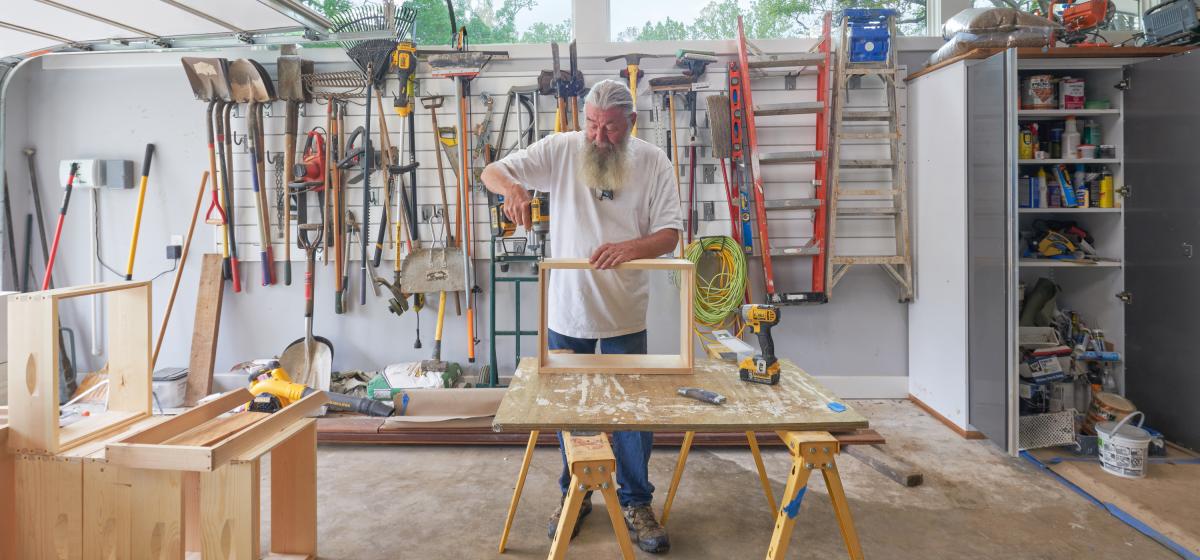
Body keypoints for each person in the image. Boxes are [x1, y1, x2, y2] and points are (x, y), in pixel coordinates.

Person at [481, 79, 682, 554]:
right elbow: (492, 170)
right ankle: (576, 493)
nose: (598, 137)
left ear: (631, 124)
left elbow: (670, 234)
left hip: (624, 312)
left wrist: (630, 248)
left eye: (609, 128)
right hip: (566, 309)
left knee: (631, 413)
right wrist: (512, 188)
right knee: (569, 410)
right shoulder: (563, 149)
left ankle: (635, 501)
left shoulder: (653, 162)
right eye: (591, 125)